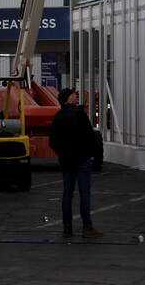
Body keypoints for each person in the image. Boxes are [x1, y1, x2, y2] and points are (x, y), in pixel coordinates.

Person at [49, 88, 102, 239]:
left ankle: (67, 227)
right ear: (67, 99)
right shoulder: (79, 115)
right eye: (73, 95)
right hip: (82, 160)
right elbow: (90, 136)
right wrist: (90, 154)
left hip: (66, 161)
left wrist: (63, 153)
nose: (75, 96)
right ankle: (87, 227)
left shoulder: (58, 116)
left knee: (67, 193)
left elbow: (52, 141)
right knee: (84, 193)